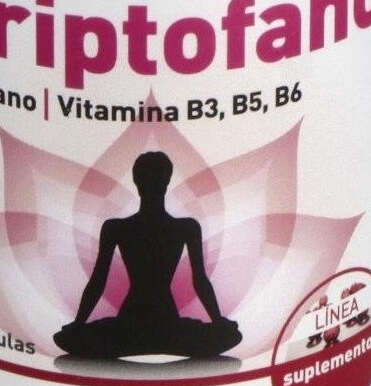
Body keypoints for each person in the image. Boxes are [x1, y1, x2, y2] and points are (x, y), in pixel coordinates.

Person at [54, 151, 241, 359]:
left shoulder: (182, 228)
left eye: (154, 178)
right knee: (225, 335)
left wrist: (79, 324)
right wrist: (218, 322)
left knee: (75, 338)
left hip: (150, 323)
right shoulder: (121, 228)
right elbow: (98, 281)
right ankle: (157, 342)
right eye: (147, 178)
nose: (151, 184)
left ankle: (138, 343)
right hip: (151, 324)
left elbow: (200, 281)